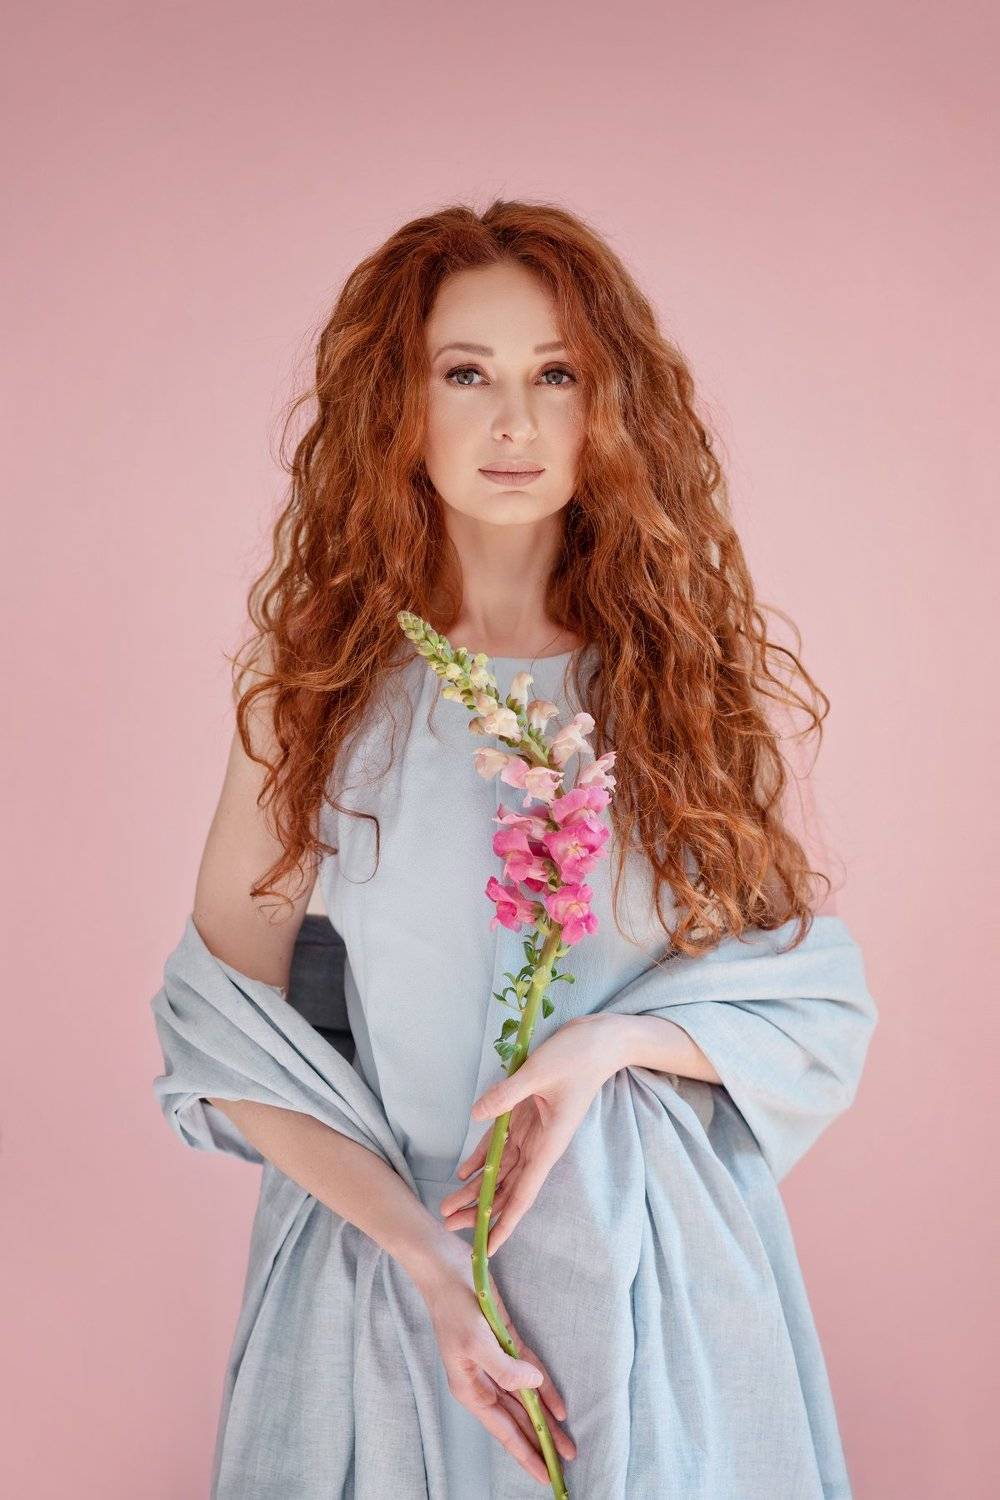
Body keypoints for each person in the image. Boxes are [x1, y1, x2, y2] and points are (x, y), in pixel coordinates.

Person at [154, 200, 876, 1497]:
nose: (514, 423)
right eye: (466, 373)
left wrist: (609, 1045)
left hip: (652, 1282)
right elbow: (223, 1036)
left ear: (608, 406)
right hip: (390, 1288)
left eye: (556, 375)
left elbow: (803, 1000)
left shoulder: (680, 685)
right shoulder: (313, 693)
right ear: (398, 404)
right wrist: (429, 1265)